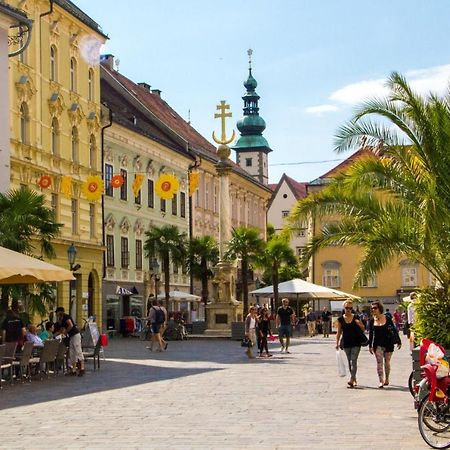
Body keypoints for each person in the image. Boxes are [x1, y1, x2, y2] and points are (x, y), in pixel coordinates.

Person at [368, 300, 402, 388]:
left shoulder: (387, 318)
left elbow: (394, 330)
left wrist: (398, 341)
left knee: (387, 362)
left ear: (379, 308)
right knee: (379, 362)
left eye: (375, 308)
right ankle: (381, 380)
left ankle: (387, 378)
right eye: (372, 308)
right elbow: (371, 334)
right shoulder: (372, 321)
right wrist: (370, 345)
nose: (373, 310)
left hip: (388, 343)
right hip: (377, 344)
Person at [335, 299, 365, 388]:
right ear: (344, 308)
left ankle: (351, 379)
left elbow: (363, 329)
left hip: (356, 342)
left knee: (353, 360)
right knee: (349, 361)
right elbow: (339, 331)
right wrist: (336, 342)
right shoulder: (340, 319)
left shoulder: (356, 317)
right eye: (347, 308)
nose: (348, 310)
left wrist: (360, 324)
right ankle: (354, 378)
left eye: (350, 308)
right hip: (346, 342)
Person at [55, 307, 85, 376]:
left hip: (75, 335)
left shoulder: (66, 317)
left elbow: (70, 325)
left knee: (78, 351)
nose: (56, 313)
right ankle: (73, 369)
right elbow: (62, 329)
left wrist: (66, 331)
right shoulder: (61, 320)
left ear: (60, 312)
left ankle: (82, 368)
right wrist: (56, 335)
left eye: (57, 312)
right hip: (71, 336)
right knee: (72, 353)